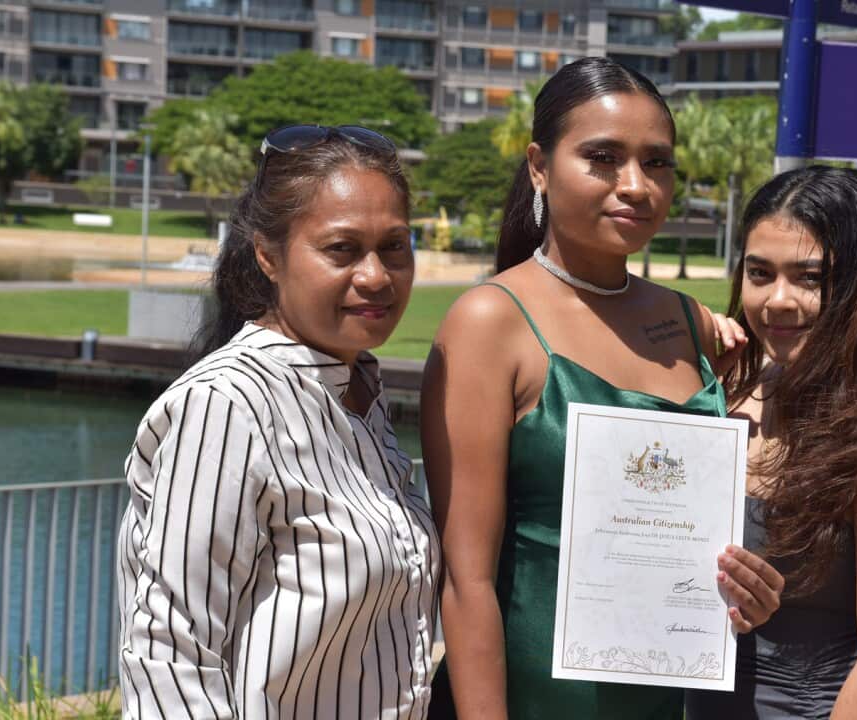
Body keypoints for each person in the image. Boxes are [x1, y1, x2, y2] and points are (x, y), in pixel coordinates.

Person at [421, 57, 783, 720]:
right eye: (603, 158)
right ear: (539, 165)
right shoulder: (489, 323)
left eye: (658, 163)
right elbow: (466, 580)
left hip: (682, 693)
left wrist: (745, 589)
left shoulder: (684, 319)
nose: (637, 186)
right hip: (536, 700)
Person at [116, 125, 439, 719]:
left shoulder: (356, 395)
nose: (376, 275)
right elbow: (171, 651)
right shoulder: (228, 404)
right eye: (342, 249)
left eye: (395, 246)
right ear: (268, 255)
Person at [684, 166, 857, 719]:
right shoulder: (716, 396)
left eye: (809, 278)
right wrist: (685, 402)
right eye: (759, 273)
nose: (777, 300)